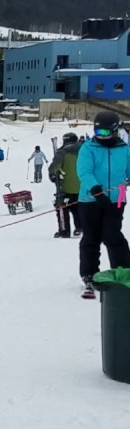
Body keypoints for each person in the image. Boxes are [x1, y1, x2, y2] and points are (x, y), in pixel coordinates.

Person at [76, 111, 130, 299]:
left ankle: (123, 271)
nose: (101, 136)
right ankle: (89, 274)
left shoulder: (124, 148)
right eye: (98, 131)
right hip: (91, 200)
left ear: (115, 131)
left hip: (116, 200)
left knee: (113, 235)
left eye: (106, 132)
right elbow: (84, 171)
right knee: (91, 237)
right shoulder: (88, 148)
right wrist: (96, 191)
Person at [49, 132, 82, 238]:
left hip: (66, 187)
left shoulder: (62, 152)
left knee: (62, 208)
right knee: (77, 207)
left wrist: (53, 175)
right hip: (82, 186)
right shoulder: (84, 150)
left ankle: (64, 230)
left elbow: (54, 168)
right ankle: (80, 227)